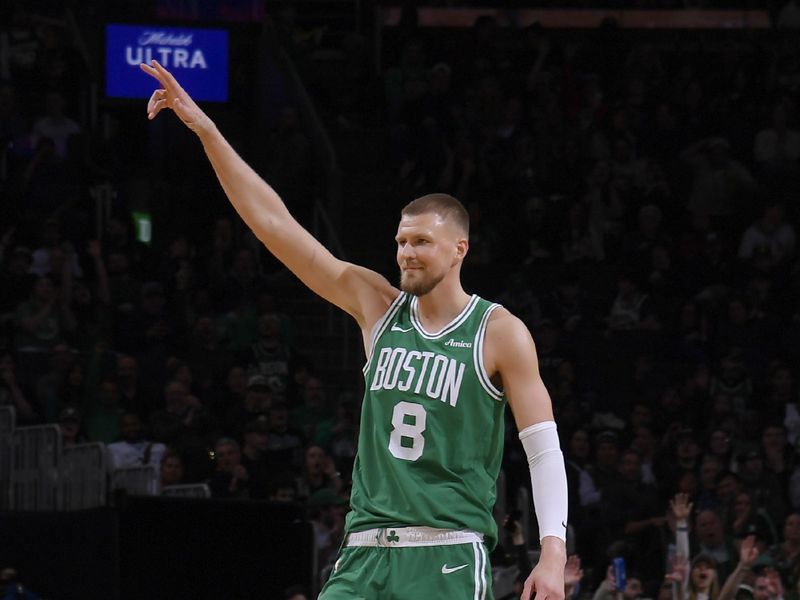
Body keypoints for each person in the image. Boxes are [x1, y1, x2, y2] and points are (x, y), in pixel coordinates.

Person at [141, 59, 568, 600]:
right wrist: (207, 130)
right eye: (400, 241)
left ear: (459, 249)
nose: (405, 253)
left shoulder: (499, 331)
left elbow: (543, 450)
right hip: (363, 553)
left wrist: (552, 551)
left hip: (447, 552)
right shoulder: (376, 305)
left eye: (420, 243)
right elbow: (274, 224)